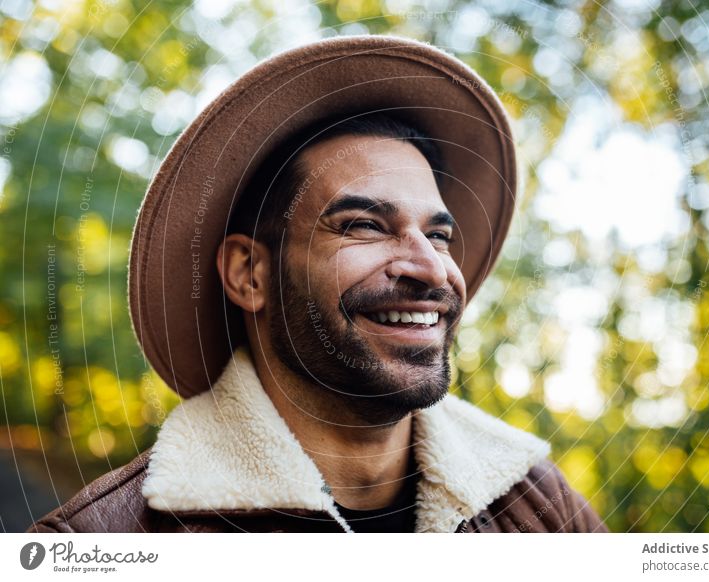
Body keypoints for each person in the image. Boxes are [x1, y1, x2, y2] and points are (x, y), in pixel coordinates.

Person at [28, 34, 607, 533]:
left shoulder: (537, 506)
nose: (431, 269)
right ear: (249, 275)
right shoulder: (110, 541)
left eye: (438, 235)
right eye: (363, 225)